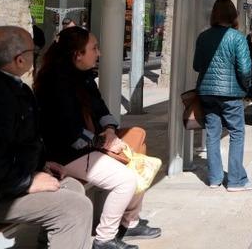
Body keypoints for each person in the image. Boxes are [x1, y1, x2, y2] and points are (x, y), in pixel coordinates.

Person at [35, 27, 160, 249]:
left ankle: (130, 222)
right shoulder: (55, 84)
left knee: (139, 153)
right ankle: (105, 238)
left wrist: (110, 131)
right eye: (94, 48)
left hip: (90, 146)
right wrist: (104, 143)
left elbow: (101, 108)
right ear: (77, 54)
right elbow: (67, 132)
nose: (99, 53)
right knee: (126, 179)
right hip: (67, 153)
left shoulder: (83, 77)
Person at [0, 26, 93, 249]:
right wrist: (28, 181)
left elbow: (19, 143)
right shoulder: (1, 97)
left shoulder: (13, 88)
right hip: (3, 191)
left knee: (72, 187)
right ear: (20, 60)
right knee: (75, 208)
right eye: (34, 52)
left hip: (9, 182)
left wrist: (41, 165)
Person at [192, 0, 252, 192]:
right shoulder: (237, 37)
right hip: (231, 93)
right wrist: (245, 88)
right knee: (237, 132)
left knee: (212, 133)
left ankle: (214, 178)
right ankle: (236, 180)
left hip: (207, 92)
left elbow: (196, 65)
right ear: (233, 15)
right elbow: (244, 69)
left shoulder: (203, 37)